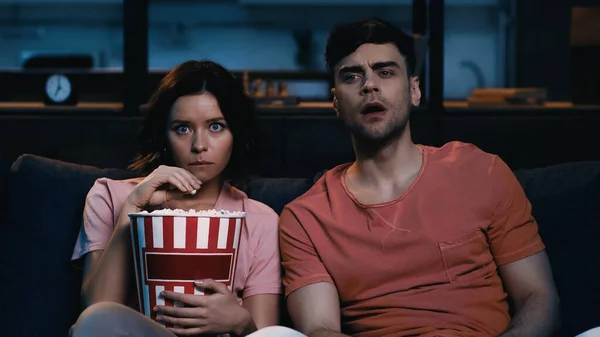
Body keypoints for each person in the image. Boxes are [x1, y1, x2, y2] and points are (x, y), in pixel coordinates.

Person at [279, 18, 561, 337]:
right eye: (351, 76)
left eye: (385, 72)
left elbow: (538, 297)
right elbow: (320, 328)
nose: (369, 85)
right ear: (336, 102)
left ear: (414, 90)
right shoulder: (305, 217)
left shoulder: (480, 171)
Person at [69, 60, 302, 337]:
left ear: (236, 133)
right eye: (183, 128)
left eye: (216, 126)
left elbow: (263, 332)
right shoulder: (110, 196)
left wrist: (239, 321)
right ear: (164, 136)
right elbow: (95, 315)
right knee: (96, 318)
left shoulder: (260, 219)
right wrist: (131, 212)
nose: (199, 145)